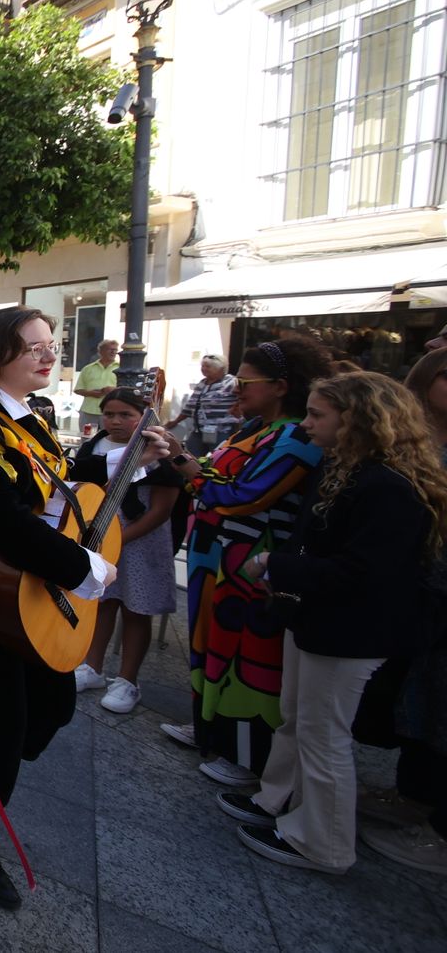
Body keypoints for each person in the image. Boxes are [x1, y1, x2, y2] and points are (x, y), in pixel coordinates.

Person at [0, 308, 167, 909]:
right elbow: (2, 519)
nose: (48, 356)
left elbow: (58, 487)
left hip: (25, 594)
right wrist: (83, 569)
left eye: (51, 346)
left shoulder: (35, 418)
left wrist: (136, 460)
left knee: (48, 708)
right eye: (33, 349)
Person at [211, 372, 447, 875]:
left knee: (324, 733)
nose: (308, 422)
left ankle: (323, 842)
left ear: (356, 419)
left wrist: (276, 565)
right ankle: (277, 799)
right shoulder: (348, 468)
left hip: (350, 628)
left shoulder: (388, 486)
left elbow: (363, 573)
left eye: (318, 414)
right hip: (317, 615)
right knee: (297, 715)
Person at [160, 337, 332, 784]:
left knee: (245, 650)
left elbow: (243, 496)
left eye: (246, 381)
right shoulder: (250, 428)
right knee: (210, 641)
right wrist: (191, 466)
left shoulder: (294, 436)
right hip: (215, 554)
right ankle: (209, 730)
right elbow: (217, 477)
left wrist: (185, 465)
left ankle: (245, 757)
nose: (237, 389)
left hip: (248, 560)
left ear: (279, 386)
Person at [357, 349, 447, 874]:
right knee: (423, 706)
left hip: (433, 592)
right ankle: (414, 797)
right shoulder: (412, 448)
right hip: (417, 597)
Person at [70, 387, 185, 714]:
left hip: (139, 541)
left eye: (126, 415)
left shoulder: (159, 450)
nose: (116, 421)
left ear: (144, 417)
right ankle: (92, 667)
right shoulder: (94, 446)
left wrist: (120, 539)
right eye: (109, 414)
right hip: (102, 535)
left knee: (136, 609)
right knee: (102, 602)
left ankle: (128, 680)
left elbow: (161, 510)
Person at [165, 354, 238, 456]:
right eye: (202, 366)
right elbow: (190, 406)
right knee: (188, 457)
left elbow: (244, 396)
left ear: (220, 368)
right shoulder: (202, 383)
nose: (203, 369)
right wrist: (176, 421)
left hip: (220, 431)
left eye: (207, 366)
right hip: (199, 431)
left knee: (219, 458)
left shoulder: (230, 382)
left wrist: (237, 412)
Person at [74, 338, 120, 432]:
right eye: (110, 349)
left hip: (111, 413)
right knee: (87, 439)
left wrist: (113, 390)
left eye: (115, 350)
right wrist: (91, 393)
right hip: (89, 411)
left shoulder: (121, 368)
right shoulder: (88, 369)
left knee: (109, 438)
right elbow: (78, 389)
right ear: (101, 351)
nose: (113, 352)